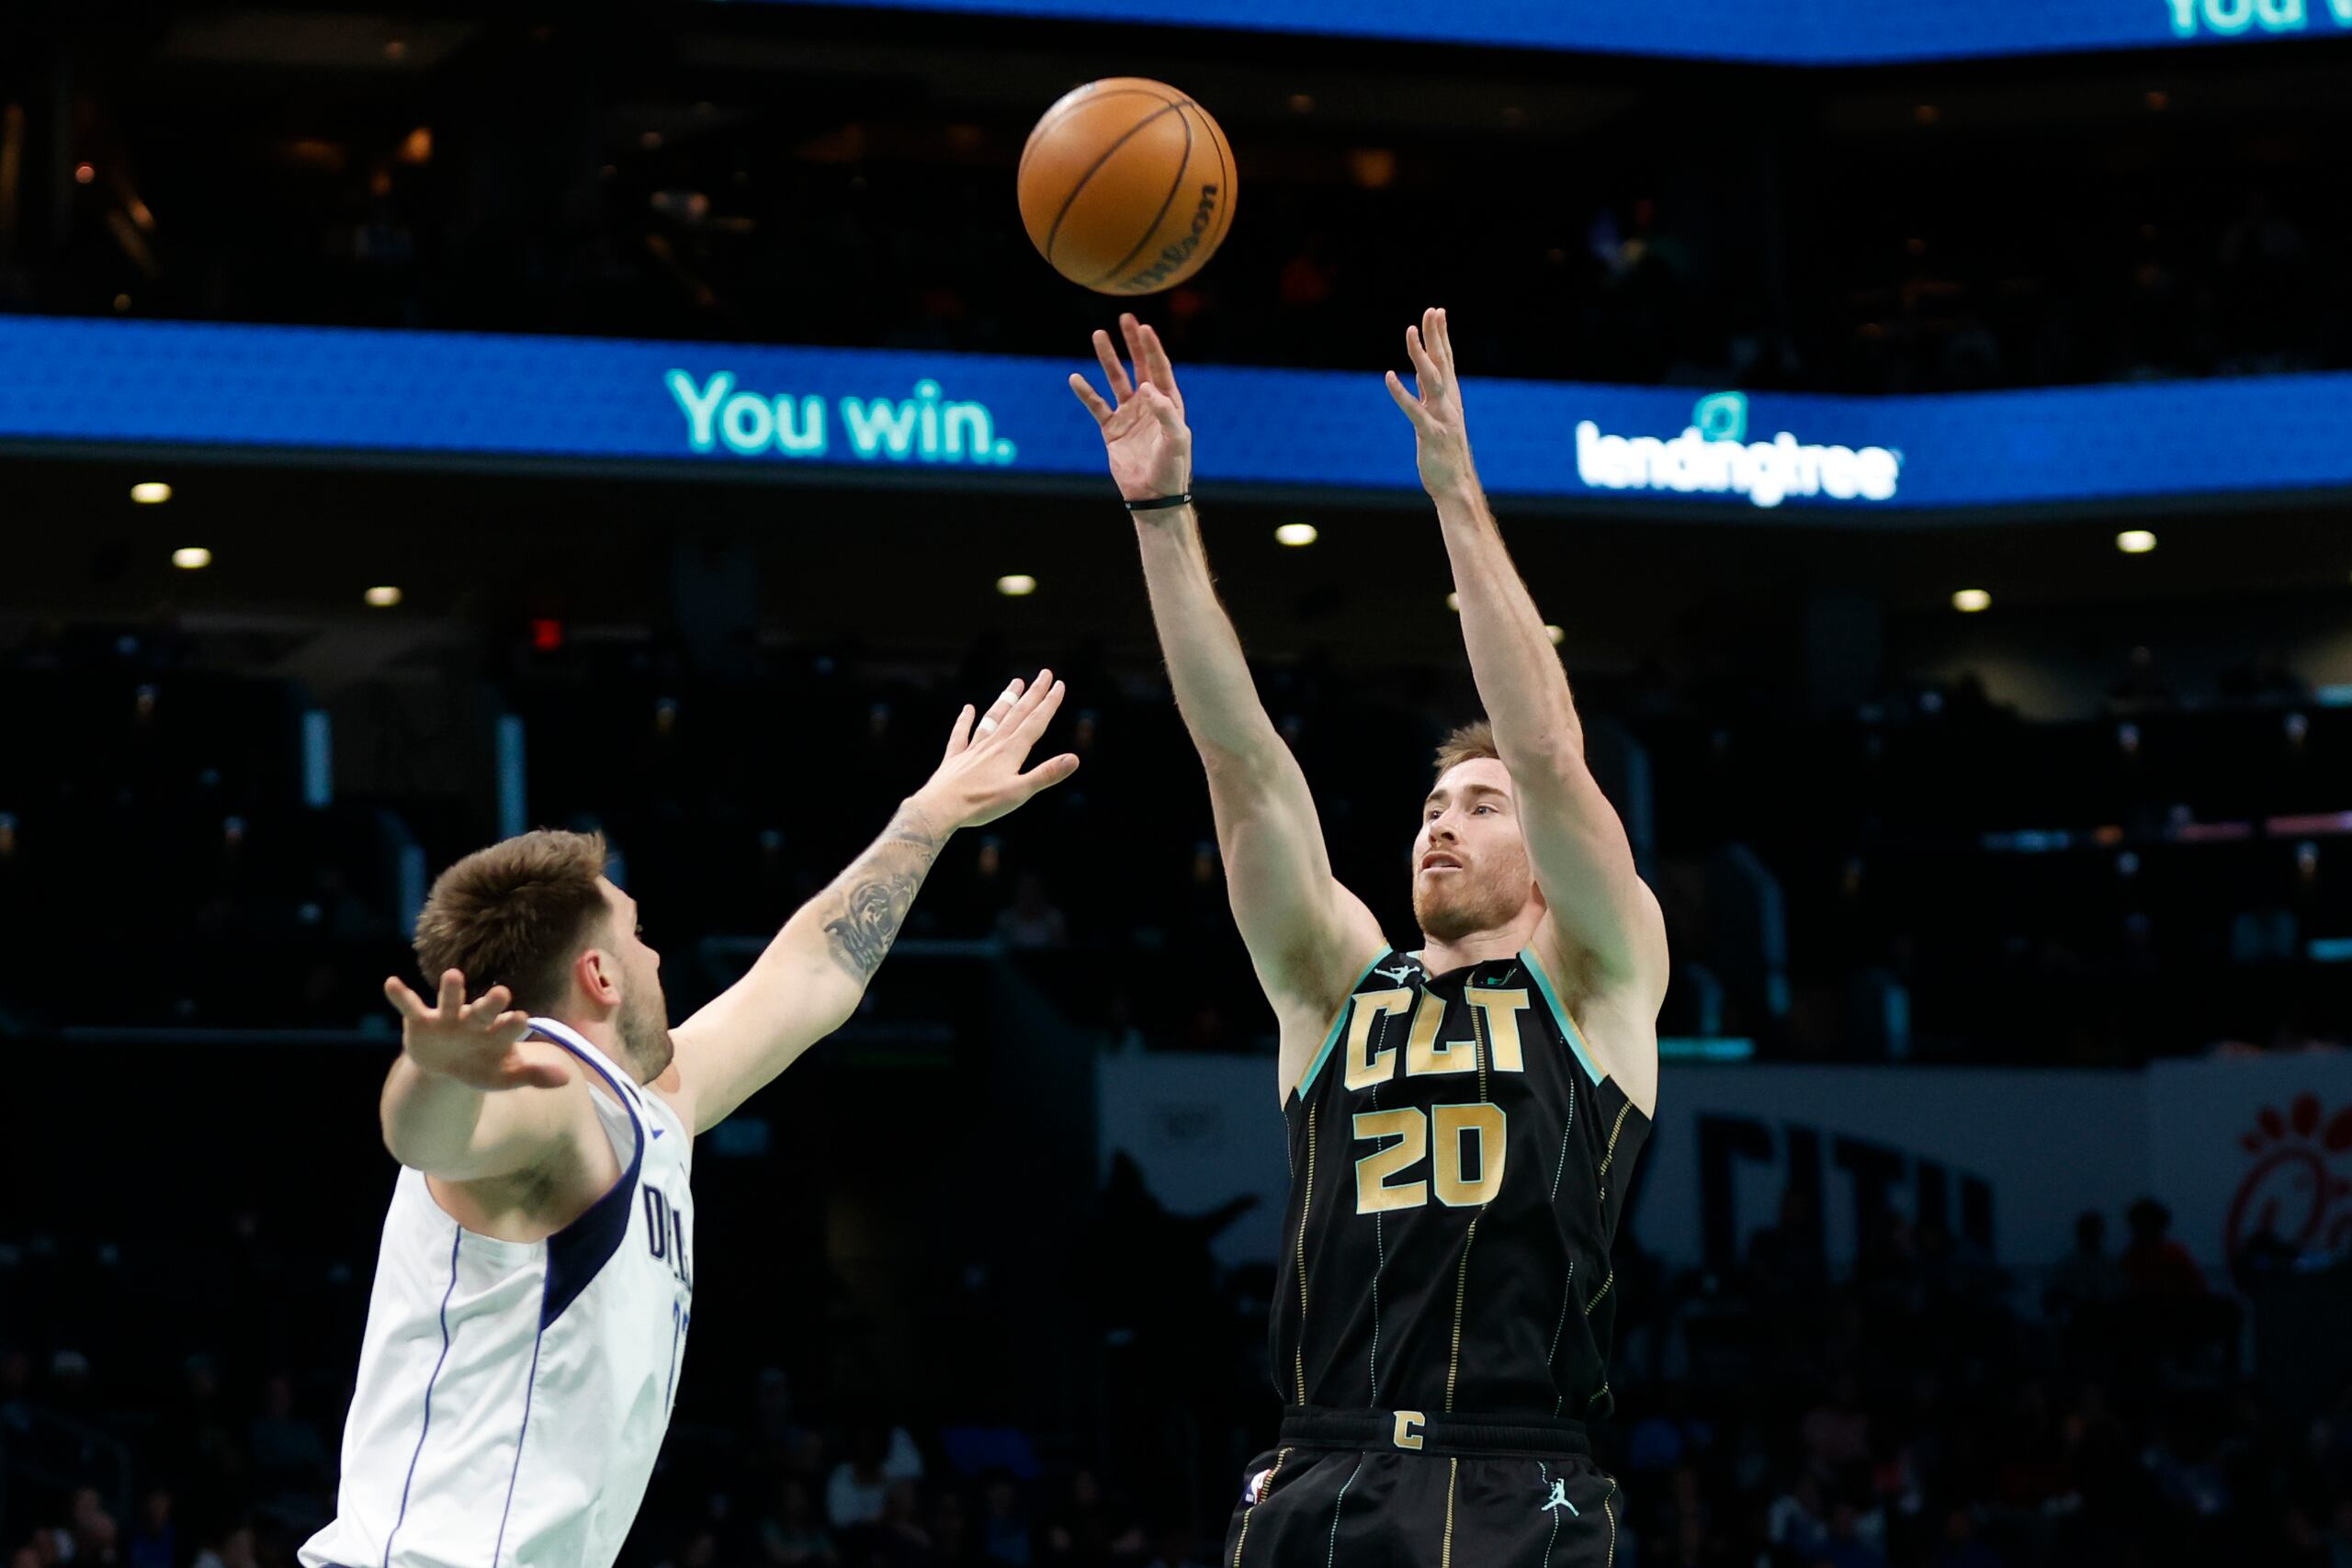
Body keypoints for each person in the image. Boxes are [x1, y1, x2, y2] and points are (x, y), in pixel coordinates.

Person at [1071, 308, 1668, 1566]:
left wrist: (1455, 491)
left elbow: (1551, 747)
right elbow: (1240, 760)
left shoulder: (1595, 972)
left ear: (1549, 866)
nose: (1442, 826)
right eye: (1431, 806)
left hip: (1520, 1473)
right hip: (1319, 1465)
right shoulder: (1338, 982)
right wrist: (1163, 514)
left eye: (1479, 807)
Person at [299, 675, 1080, 1568]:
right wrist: (430, 1072)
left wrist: (928, 816)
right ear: (599, 975)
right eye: (640, 935)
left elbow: (815, 975)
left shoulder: (653, 1100)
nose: (658, 953)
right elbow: (426, 1138)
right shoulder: (551, 1092)